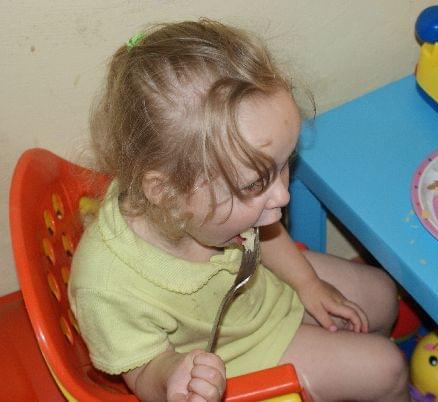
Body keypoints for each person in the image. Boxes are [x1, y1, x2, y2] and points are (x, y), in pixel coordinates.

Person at [68, 18, 411, 402]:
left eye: (284, 164)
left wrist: (307, 283)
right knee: (388, 368)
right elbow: (144, 370)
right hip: (235, 357)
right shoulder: (106, 287)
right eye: (255, 184)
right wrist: (173, 377)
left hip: (263, 292)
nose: (282, 196)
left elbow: (261, 234)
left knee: (383, 295)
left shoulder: (203, 201)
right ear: (166, 192)